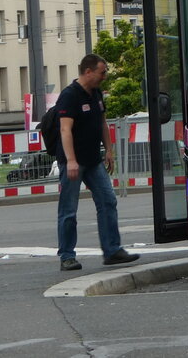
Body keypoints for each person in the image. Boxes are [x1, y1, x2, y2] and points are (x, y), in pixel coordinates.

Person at [54, 54, 140, 271]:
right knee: (69, 210)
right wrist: (71, 160)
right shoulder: (69, 96)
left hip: (93, 160)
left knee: (108, 201)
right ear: (88, 71)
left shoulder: (96, 94)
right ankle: (67, 256)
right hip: (73, 162)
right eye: (102, 72)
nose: (105, 77)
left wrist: (109, 150)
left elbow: (101, 122)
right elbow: (65, 130)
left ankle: (112, 251)